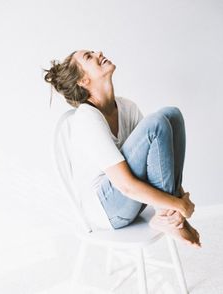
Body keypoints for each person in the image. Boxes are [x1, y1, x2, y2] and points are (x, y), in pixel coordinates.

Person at [44, 49, 201, 248]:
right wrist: (179, 205)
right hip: (108, 211)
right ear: (83, 80)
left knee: (172, 115)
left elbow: (159, 156)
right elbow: (125, 185)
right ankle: (167, 215)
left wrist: (180, 197)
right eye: (89, 57)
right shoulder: (86, 118)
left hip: (134, 198)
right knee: (157, 123)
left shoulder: (127, 107)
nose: (98, 53)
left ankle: (167, 217)